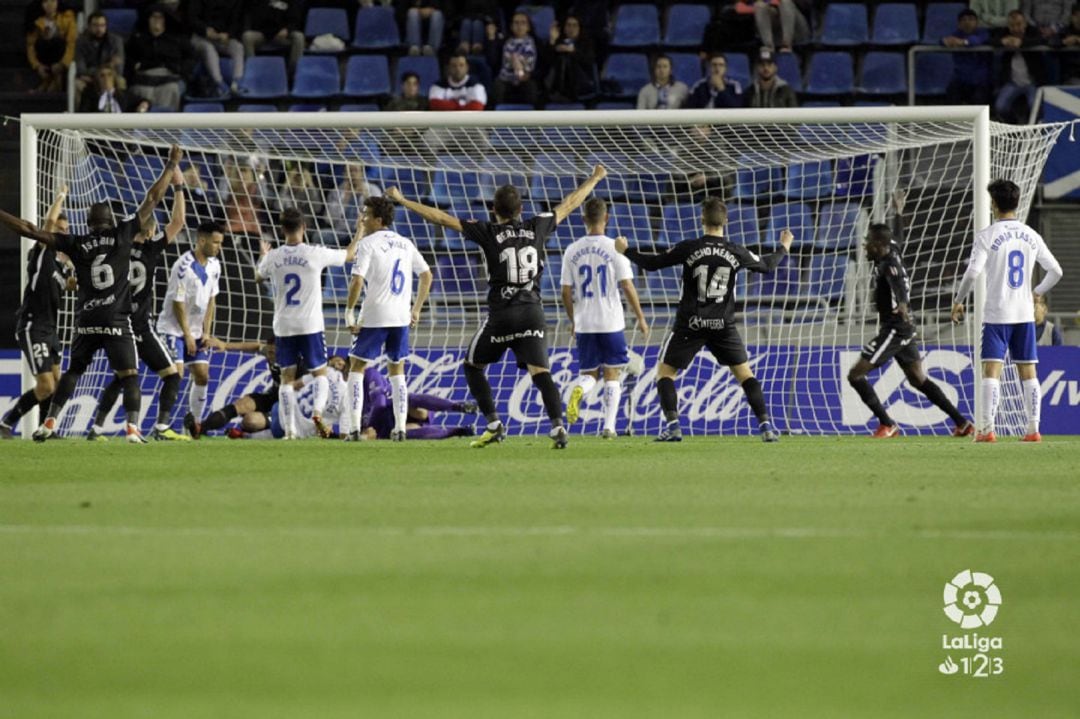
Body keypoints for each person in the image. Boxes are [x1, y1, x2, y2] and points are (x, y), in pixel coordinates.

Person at [388, 164, 608, 449]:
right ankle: (558, 428)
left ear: (494, 209)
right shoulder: (538, 224)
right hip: (532, 313)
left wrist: (404, 200)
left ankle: (493, 424)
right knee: (540, 372)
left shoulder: (487, 231)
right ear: (521, 209)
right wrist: (595, 177)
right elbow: (570, 202)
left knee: (472, 365)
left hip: (502, 315)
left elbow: (441, 218)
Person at [0, 144, 183, 442]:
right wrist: (171, 164)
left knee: (74, 370)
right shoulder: (124, 234)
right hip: (116, 317)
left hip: (86, 319)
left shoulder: (75, 242)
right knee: (129, 375)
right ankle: (133, 430)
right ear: (111, 221)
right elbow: (152, 198)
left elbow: (30, 229)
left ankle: (49, 422)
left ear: (88, 224)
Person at [614, 197, 792, 442]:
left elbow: (652, 264)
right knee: (745, 375)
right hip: (723, 325)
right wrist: (784, 246)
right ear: (726, 221)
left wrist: (626, 251)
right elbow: (767, 266)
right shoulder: (735, 250)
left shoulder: (689, 247)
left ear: (701, 220)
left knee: (665, 374)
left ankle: (674, 426)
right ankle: (766, 427)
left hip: (691, 324)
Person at [951, 179, 1063, 443]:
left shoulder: (987, 236)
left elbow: (973, 272)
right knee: (1029, 372)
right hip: (1024, 315)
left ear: (993, 204)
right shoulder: (1031, 235)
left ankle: (988, 429)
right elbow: (1056, 271)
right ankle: (1033, 430)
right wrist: (1037, 290)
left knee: (991, 371)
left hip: (997, 314)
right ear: (1016, 202)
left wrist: (959, 299)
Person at [846, 223, 974, 439]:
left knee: (855, 375)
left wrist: (903, 304)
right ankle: (962, 423)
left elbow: (899, 287)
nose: (865, 245)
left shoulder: (889, 265)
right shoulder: (891, 248)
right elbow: (898, 237)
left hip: (895, 328)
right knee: (917, 379)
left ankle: (887, 424)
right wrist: (898, 214)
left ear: (878, 245)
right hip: (904, 326)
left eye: (868, 242)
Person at [88, 172, 191, 441]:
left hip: (115, 323)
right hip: (139, 326)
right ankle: (162, 427)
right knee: (171, 375)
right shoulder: (152, 249)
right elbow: (179, 221)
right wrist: (179, 185)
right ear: (152, 231)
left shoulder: (117, 246)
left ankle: (97, 429)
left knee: (123, 376)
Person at [255, 208, 362, 439]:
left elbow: (257, 276)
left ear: (282, 229)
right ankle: (317, 411)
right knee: (321, 374)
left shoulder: (275, 257)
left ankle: (290, 431)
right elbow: (350, 254)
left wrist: (264, 254)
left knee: (286, 378)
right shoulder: (315, 252)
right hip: (310, 325)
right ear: (304, 227)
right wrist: (360, 230)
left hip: (283, 325)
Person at [341, 196, 432, 442]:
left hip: (375, 315)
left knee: (356, 368)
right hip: (401, 316)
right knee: (397, 371)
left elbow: (357, 280)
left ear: (378, 220)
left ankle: (352, 429)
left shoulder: (368, 244)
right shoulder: (405, 243)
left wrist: (349, 312)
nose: (362, 218)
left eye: (366, 214)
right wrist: (416, 309)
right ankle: (400, 428)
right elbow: (426, 275)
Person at [560, 198, 648, 439]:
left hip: (585, 322)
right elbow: (627, 286)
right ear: (606, 218)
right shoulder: (615, 248)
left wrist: (573, 320)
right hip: (610, 321)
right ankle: (608, 427)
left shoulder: (572, 250)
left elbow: (565, 292)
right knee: (613, 374)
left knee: (589, 374)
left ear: (583, 220)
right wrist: (640, 317)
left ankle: (579, 388)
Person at [0, 187, 72, 439]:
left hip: (50, 330)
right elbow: (49, 222)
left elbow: (69, 284)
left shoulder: (61, 267)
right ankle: (6, 422)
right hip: (33, 326)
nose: (62, 234)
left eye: (66, 231)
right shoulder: (43, 252)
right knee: (46, 385)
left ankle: (45, 430)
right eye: (59, 231)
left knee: (56, 383)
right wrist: (61, 197)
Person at [155, 220, 223, 438]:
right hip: (173, 329)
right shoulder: (182, 266)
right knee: (177, 375)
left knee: (202, 375)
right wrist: (187, 334)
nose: (218, 247)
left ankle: (194, 423)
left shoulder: (215, 266)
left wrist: (206, 332)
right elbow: (178, 303)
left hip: (196, 332)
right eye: (215, 242)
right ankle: (161, 427)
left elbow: (212, 300)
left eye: (220, 242)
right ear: (201, 240)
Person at [355, 366, 476, 440]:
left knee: (408, 402)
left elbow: (380, 404)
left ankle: (457, 406)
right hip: (387, 428)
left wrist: (370, 427)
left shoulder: (368, 375)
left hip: (397, 408)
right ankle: (457, 431)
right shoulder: (346, 402)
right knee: (400, 433)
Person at [200, 333, 280, 435]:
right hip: (273, 397)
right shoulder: (271, 352)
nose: (269, 355)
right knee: (241, 405)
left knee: (251, 421)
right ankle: (200, 429)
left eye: (272, 353)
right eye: (268, 352)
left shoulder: (296, 364)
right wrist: (225, 345)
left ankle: (249, 435)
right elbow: (256, 346)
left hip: (288, 409)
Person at [126, 5, 192, 111]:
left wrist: (182, 71)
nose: (156, 20)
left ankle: (166, 125)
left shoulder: (177, 40)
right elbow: (129, 60)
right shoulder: (137, 39)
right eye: (153, 17)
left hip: (169, 77)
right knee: (139, 91)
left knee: (171, 89)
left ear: (165, 20)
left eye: (160, 17)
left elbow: (190, 58)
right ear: (148, 19)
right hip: (144, 78)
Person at [993, 10, 1046, 124]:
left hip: (1032, 82)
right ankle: (1014, 126)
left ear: (1025, 24)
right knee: (1000, 107)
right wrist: (1003, 41)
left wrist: (1021, 42)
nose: (1016, 28)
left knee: (1034, 106)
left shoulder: (1033, 31)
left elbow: (1041, 39)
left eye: (1019, 24)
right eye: (1012, 25)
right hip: (1012, 82)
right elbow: (991, 40)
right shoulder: (1004, 33)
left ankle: (1033, 130)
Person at [187, 0, 244, 96]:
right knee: (208, 49)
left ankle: (236, 83)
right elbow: (191, 19)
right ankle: (219, 83)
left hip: (221, 38)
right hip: (201, 36)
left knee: (238, 47)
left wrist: (228, 34)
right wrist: (205, 30)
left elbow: (236, 21)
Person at [942, 8, 992, 107]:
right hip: (961, 79)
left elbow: (977, 40)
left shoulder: (983, 33)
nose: (967, 22)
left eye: (970, 19)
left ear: (976, 22)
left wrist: (963, 42)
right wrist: (945, 41)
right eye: (964, 20)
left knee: (979, 98)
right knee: (952, 91)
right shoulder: (956, 34)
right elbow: (943, 40)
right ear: (959, 24)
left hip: (980, 80)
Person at [541, 14, 595, 104]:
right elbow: (545, 62)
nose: (571, 28)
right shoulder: (558, 41)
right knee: (562, 59)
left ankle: (564, 92)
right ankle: (560, 91)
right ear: (564, 27)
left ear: (579, 28)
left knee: (567, 59)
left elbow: (589, 61)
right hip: (555, 80)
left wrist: (573, 51)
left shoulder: (586, 43)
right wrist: (552, 42)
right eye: (568, 25)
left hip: (581, 82)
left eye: (574, 25)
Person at [25, 0, 77, 93]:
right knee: (42, 43)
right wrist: (37, 66)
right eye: (45, 2)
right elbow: (30, 46)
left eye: (53, 1)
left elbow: (71, 43)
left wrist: (63, 63)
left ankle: (47, 85)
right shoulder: (35, 20)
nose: (50, 5)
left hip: (61, 57)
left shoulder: (67, 17)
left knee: (58, 42)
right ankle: (48, 82)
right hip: (44, 57)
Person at [490, 11, 539, 108]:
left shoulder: (536, 43)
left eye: (523, 23)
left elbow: (541, 66)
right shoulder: (504, 42)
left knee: (532, 88)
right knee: (497, 85)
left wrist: (529, 74)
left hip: (528, 77)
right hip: (506, 77)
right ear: (511, 26)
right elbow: (494, 61)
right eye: (516, 23)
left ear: (528, 27)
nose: (519, 26)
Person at [74, 11, 125, 105]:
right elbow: (81, 70)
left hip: (107, 77)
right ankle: (82, 114)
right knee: (77, 84)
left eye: (102, 25)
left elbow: (119, 69)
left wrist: (98, 73)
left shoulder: (116, 41)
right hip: (89, 79)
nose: (99, 29)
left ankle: (116, 112)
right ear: (89, 26)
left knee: (120, 81)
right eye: (95, 25)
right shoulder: (81, 42)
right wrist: (108, 65)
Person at [242, 0, 304, 73]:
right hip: (264, 34)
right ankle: (252, 72)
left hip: (283, 36)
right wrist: (272, 32)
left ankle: (294, 74)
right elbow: (257, 18)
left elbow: (295, 20)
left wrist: (287, 29)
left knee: (299, 37)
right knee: (247, 36)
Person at [1056, 5, 1080, 84]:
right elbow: (1051, 41)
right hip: (1072, 75)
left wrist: (1077, 39)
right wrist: (1063, 42)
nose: (1079, 19)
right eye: (1076, 16)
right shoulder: (1065, 31)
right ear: (1072, 17)